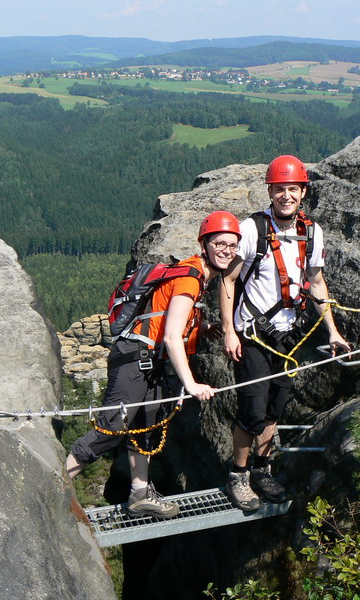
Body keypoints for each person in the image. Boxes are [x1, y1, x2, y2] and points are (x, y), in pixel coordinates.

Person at [65, 211, 241, 518]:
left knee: (144, 428)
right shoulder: (190, 277)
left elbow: (164, 321)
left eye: (232, 245)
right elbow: (172, 337)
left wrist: (201, 329)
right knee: (111, 428)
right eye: (220, 243)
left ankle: (140, 494)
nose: (227, 250)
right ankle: (54, 485)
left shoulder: (194, 275)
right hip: (135, 358)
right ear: (205, 244)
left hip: (148, 362)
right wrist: (191, 384)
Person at [219, 155, 350, 511]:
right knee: (252, 411)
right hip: (253, 335)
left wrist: (333, 332)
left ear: (303, 192)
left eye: (292, 188)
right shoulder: (253, 229)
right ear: (270, 191)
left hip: (287, 337)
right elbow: (228, 279)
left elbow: (317, 281)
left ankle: (262, 469)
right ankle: (239, 475)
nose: (286, 195)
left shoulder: (311, 232)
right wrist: (230, 331)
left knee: (275, 410)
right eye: (280, 189)